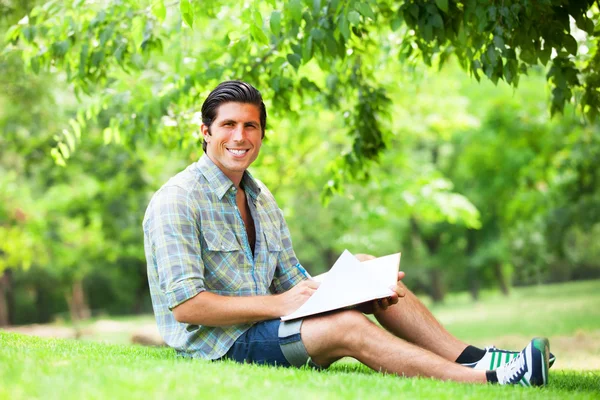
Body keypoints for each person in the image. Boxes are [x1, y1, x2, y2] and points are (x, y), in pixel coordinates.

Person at [143, 80, 553, 386]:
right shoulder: (176, 200)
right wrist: (279, 305)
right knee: (344, 326)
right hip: (222, 347)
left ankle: (478, 359)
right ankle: (487, 382)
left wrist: (357, 291)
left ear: (262, 134)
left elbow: (294, 284)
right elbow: (187, 307)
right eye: (228, 124)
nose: (240, 137)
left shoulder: (261, 197)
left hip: (268, 325)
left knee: (369, 269)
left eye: (250, 126)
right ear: (206, 132)